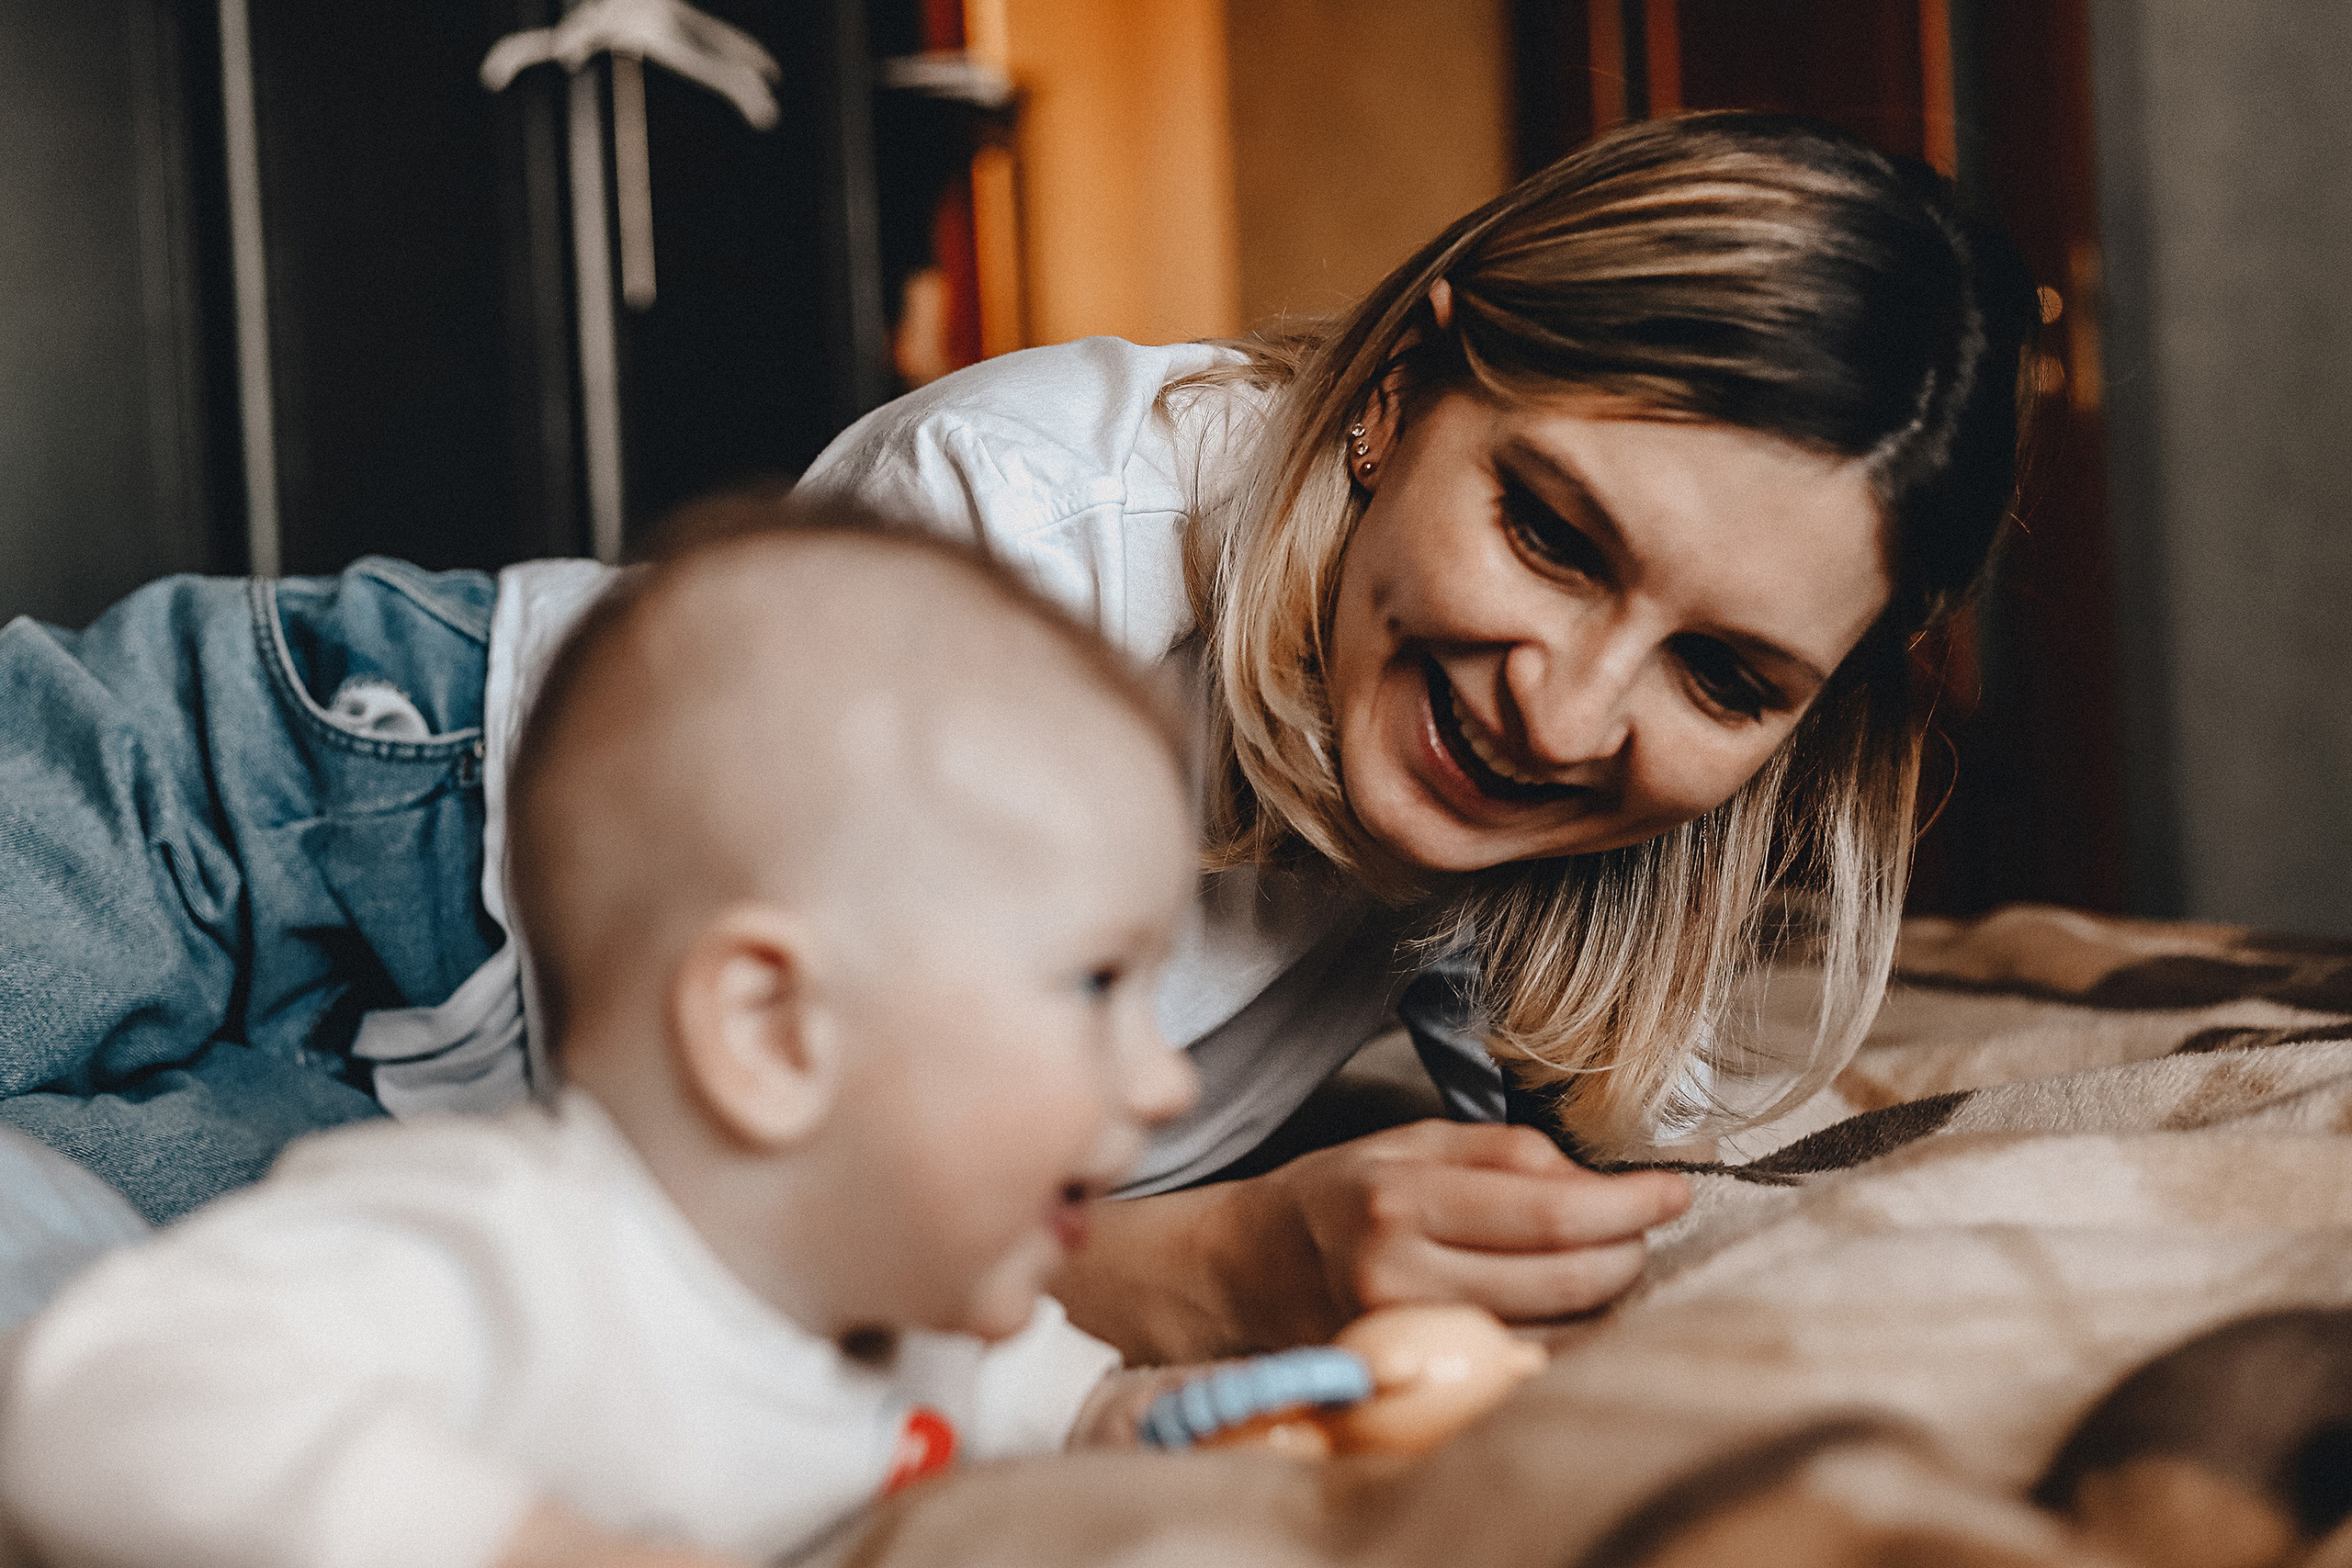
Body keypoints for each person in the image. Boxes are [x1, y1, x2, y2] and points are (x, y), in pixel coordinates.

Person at [0, 112, 2034, 1360]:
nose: (1567, 711)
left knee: (101, 1341)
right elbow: (779, 1202)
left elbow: (1668, 1123)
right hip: (323, 787)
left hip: (470, 1127)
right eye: (1548, 531)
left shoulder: (1592, 832)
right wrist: (1203, 1262)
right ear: (1406, 388)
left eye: (1725, 678)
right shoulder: (1026, 524)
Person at [0, 515, 1204, 1568]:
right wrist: (527, 1549)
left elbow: (1024, 1397)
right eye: (1097, 985)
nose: (1168, 1079)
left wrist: (1121, 1414)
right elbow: (99, 1397)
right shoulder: (512, 1252)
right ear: (775, 1033)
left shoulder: (898, 1294)